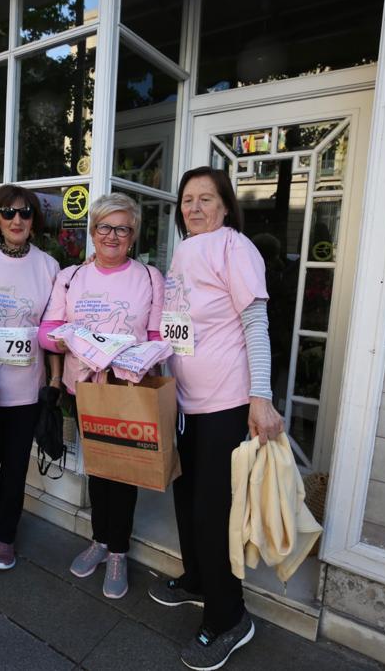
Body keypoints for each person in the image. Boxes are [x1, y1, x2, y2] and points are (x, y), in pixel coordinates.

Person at [147, 167, 283, 670]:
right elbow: (179, 326)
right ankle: (198, 580)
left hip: (227, 401)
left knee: (213, 512)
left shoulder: (235, 247)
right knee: (186, 496)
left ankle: (229, 618)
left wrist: (260, 396)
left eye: (207, 198)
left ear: (226, 205)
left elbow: (255, 323)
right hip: (186, 401)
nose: (195, 207)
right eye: (188, 199)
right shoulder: (184, 252)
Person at [37, 193, 163, 600]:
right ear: (92, 232)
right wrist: (71, 339)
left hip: (129, 387)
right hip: (85, 388)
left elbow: (161, 336)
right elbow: (47, 331)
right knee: (97, 467)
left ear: (133, 235)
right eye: (105, 227)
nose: (112, 235)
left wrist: (142, 356)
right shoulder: (71, 277)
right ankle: (100, 539)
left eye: (122, 228)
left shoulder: (149, 278)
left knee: (124, 473)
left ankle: (118, 551)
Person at [0, 185, 61, 570]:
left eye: (24, 213)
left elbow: (53, 330)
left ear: (34, 221)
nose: (16, 220)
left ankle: (5, 535)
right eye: (8, 213)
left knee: (16, 467)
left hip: (26, 389)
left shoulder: (49, 266)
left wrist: (54, 382)